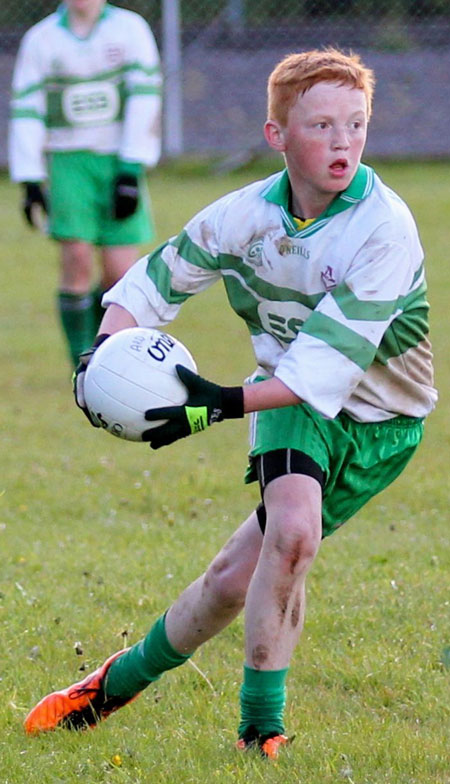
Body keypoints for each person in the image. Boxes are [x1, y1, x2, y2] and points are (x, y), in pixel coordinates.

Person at [23, 48, 437, 758]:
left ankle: (114, 682)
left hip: (385, 424)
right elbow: (153, 282)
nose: (343, 142)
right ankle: (260, 731)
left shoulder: (384, 228)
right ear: (277, 136)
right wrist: (99, 358)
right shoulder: (244, 216)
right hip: (293, 403)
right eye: (321, 126)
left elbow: (322, 369)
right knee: (295, 532)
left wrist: (211, 403)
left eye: (356, 124)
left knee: (228, 582)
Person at [8, 0, 162, 368]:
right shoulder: (41, 40)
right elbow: (27, 108)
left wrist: (130, 167)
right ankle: (81, 359)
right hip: (67, 160)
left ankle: (108, 354)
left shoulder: (131, 30)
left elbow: (146, 98)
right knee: (76, 258)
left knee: (120, 273)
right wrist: (29, 177)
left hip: (116, 160)